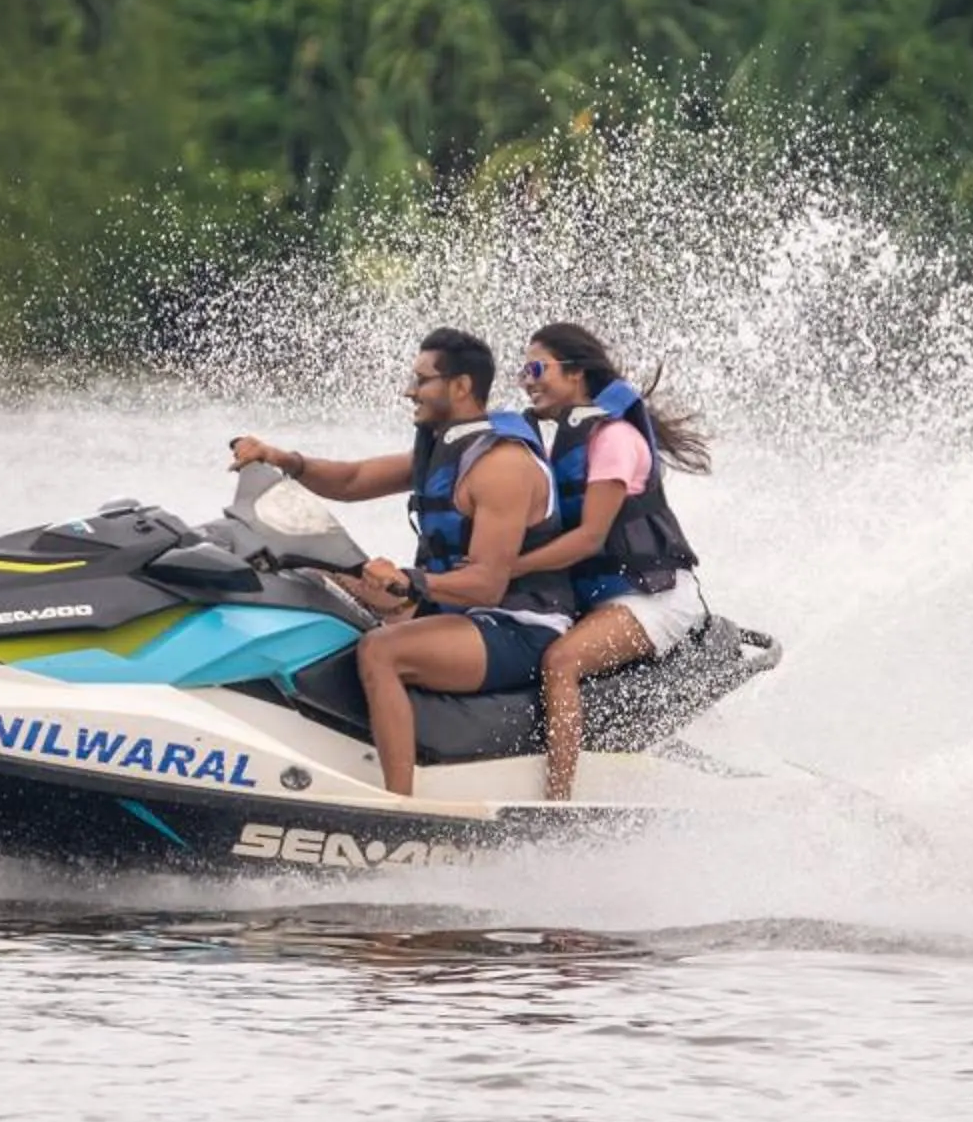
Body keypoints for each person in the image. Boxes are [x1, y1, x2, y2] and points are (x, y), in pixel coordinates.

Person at [226, 328, 576, 796]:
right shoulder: (445, 448)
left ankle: (398, 805)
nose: (410, 391)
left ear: (461, 387)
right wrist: (280, 458)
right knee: (315, 582)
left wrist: (408, 582)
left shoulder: (502, 465)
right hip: (459, 611)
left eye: (422, 380)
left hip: (517, 624)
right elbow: (353, 480)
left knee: (380, 651)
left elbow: (487, 585)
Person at [506, 323, 714, 801]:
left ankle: (558, 802)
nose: (527, 381)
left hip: (651, 599)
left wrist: (510, 569)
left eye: (537, 369)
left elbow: (588, 538)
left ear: (576, 373)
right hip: (599, 599)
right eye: (523, 370)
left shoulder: (614, 439)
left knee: (560, 662)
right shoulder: (556, 442)